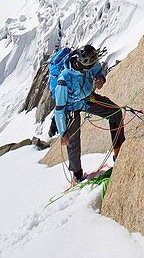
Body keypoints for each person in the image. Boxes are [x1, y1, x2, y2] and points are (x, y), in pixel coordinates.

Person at [53, 43, 125, 183]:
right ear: (82, 63)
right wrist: (63, 132)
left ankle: (119, 153)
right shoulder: (64, 79)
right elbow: (60, 109)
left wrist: (101, 78)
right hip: (70, 108)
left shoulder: (89, 64)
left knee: (115, 112)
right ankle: (77, 174)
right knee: (72, 141)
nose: (92, 68)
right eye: (90, 67)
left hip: (86, 99)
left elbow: (98, 70)